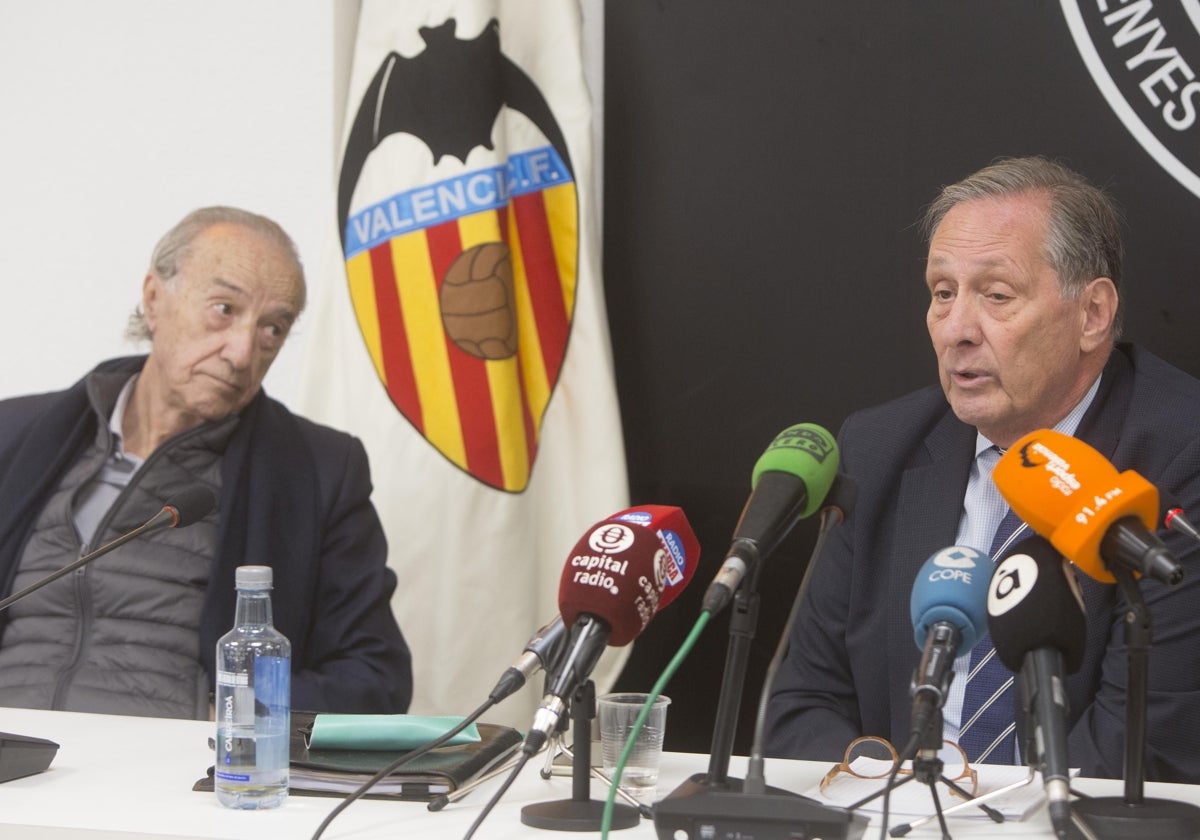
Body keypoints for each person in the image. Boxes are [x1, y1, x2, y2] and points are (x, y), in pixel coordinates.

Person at [765, 156, 1200, 783]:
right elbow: (802, 706)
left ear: (1092, 314)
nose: (956, 330)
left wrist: (979, 819)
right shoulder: (879, 448)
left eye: (996, 295)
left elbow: (1152, 743)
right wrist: (899, 802)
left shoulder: (1180, 457)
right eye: (943, 294)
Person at [0, 206, 413, 719]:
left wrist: (234, 711)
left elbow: (375, 680)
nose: (242, 353)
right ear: (154, 299)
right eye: (224, 309)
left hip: (173, 777)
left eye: (272, 329)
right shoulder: (15, 438)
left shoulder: (318, 472)